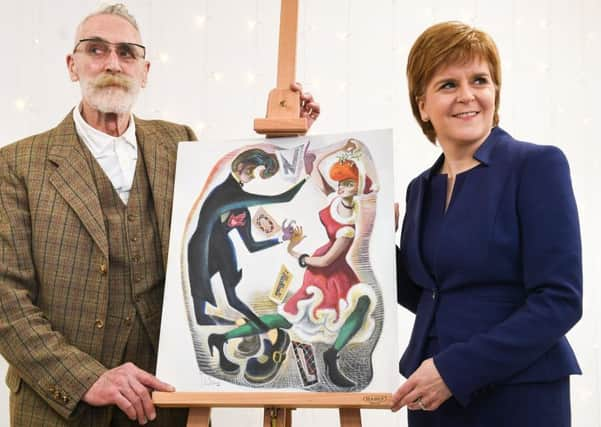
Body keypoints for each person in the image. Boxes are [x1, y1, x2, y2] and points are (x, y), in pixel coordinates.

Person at [0, 4, 319, 427]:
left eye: (127, 52)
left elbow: (236, 211)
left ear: (145, 70)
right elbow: (6, 297)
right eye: (96, 49)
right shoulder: (17, 163)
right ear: (72, 65)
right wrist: (84, 378)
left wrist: (293, 143)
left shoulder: (180, 142)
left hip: (164, 401)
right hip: (61, 408)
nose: (112, 62)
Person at [391, 21, 582, 426]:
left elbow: (559, 300)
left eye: (479, 80)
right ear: (422, 105)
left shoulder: (537, 166)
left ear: (495, 92)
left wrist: (454, 371)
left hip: (518, 396)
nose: (467, 96)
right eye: (447, 84)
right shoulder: (418, 189)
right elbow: (428, 296)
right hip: (433, 400)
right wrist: (375, 242)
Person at [207, 139, 377, 388]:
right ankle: (224, 339)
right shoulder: (332, 199)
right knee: (290, 317)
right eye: (341, 182)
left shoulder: (348, 227)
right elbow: (317, 164)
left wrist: (301, 256)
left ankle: (331, 355)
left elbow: (329, 259)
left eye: (349, 183)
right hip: (321, 271)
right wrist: (342, 146)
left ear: (357, 187)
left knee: (360, 304)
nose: (342, 187)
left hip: (331, 268)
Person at [187, 148, 307, 330]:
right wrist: (307, 175)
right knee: (200, 313)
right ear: (240, 167)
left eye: (254, 173)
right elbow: (285, 197)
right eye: (250, 172)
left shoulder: (242, 210)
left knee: (232, 298)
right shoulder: (226, 193)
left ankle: (259, 325)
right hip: (200, 247)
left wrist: (281, 238)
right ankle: (244, 324)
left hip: (221, 247)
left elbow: (251, 245)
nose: (251, 177)